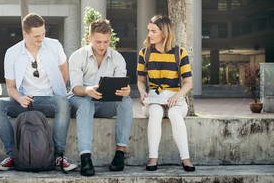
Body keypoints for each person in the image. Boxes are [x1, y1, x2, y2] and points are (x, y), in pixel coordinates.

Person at [0, 13, 78, 172]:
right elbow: (10, 88)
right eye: (36, 36)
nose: (41, 38)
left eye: (43, 33)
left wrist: (58, 91)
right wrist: (20, 98)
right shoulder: (12, 53)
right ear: (25, 34)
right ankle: (13, 155)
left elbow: (63, 70)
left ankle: (58, 156)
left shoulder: (55, 46)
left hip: (49, 100)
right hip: (25, 102)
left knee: (63, 102)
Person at [68, 19, 133, 176]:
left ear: (110, 38)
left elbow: (119, 84)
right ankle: (86, 158)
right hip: (80, 101)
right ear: (90, 39)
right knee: (86, 104)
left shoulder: (118, 58)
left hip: (104, 104)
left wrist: (125, 90)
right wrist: (88, 90)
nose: (102, 46)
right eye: (98, 42)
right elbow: (76, 89)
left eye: (106, 41)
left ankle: (119, 154)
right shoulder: (77, 56)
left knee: (127, 100)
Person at [137, 14, 195, 172]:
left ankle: (186, 159)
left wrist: (176, 97)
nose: (149, 34)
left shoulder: (180, 53)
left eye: (153, 31)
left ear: (165, 32)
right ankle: (153, 159)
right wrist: (142, 92)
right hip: (153, 99)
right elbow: (141, 81)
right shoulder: (145, 53)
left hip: (175, 99)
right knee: (156, 111)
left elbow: (188, 83)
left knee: (175, 113)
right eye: (149, 31)